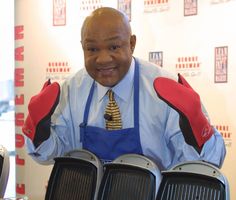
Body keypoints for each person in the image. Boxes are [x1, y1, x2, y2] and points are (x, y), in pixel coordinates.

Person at [22, 7, 226, 170]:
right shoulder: (70, 89)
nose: (102, 59)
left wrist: (197, 131)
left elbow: (208, 163)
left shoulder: (165, 89)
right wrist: (39, 132)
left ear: (132, 43)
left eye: (113, 47)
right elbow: (50, 155)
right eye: (92, 49)